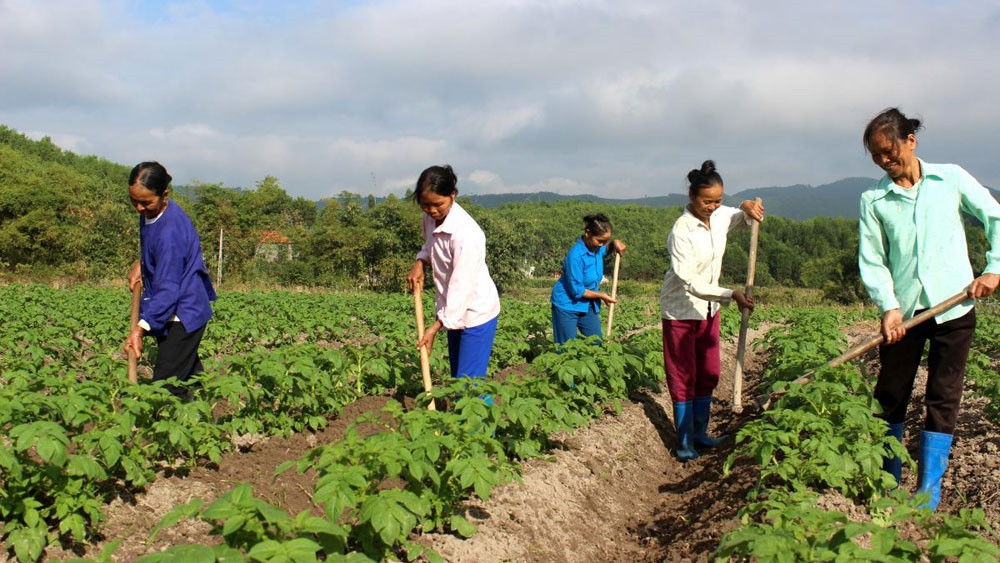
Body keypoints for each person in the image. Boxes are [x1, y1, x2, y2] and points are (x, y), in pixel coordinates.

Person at [858, 108, 1000, 511]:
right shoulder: (874, 199)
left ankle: (928, 491)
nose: (885, 162)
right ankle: (887, 480)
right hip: (904, 315)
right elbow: (872, 259)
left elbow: (995, 217)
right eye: (876, 156)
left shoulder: (950, 178)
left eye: (889, 151)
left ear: (911, 141)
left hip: (954, 309)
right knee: (890, 393)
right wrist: (889, 306)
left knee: (944, 395)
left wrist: (994, 269)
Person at [660, 160, 763, 461]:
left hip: (709, 309)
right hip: (681, 311)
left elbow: (743, 217)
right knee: (683, 376)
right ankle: (684, 443)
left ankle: (701, 434)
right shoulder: (681, 231)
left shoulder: (719, 216)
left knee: (709, 372)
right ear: (692, 196)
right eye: (708, 201)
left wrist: (747, 206)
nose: (713, 206)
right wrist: (731, 293)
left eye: (719, 200)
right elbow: (689, 282)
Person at [406, 165, 501, 399]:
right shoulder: (429, 219)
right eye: (426, 205)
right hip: (452, 312)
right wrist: (420, 261)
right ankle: (474, 429)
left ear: (453, 195)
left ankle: (480, 433)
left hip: (475, 313)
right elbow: (430, 247)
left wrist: (436, 327)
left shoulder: (467, 234)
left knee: (469, 385)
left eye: (438, 204)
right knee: (462, 381)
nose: (432, 210)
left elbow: (462, 287)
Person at [123, 162, 216, 398]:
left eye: (146, 202)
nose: (139, 208)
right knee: (187, 375)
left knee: (165, 386)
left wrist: (140, 329)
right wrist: (142, 263)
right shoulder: (152, 212)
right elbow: (154, 249)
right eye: (134, 201)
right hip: (174, 306)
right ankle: (206, 419)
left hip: (183, 311)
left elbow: (168, 289)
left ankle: (160, 430)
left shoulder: (171, 230)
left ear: (165, 195)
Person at [550, 214, 626, 345]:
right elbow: (577, 291)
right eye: (599, 240)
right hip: (567, 305)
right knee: (567, 348)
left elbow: (605, 250)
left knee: (596, 344)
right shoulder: (576, 256)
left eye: (605, 241)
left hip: (588, 305)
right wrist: (601, 295)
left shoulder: (596, 249)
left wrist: (614, 243)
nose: (602, 245)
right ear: (587, 233)